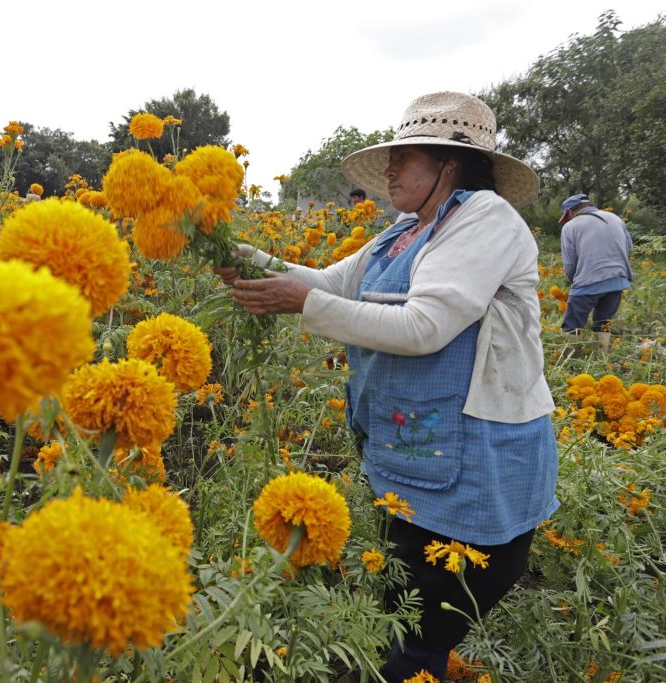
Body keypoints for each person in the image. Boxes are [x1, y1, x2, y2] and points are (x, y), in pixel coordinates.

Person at [214, 92, 558, 682]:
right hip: (417, 442)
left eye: (406, 157)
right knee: (404, 593)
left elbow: (425, 326)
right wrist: (246, 257)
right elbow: (328, 282)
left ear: (449, 165)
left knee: (437, 605)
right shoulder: (403, 230)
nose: (392, 170)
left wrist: (304, 303)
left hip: (479, 448)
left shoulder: (486, 219)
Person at [558, 193, 632, 349]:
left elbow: (570, 264)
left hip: (588, 281)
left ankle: (571, 359)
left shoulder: (570, 226)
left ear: (570, 212)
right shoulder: (616, 219)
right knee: (603, 321)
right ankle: (601, 357)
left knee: (573, 323)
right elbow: (628, 248)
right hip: (618, 279)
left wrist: (574, 283)